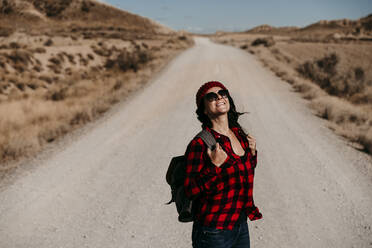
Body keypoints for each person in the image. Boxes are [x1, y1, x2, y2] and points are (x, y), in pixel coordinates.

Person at [184, 81, 262, 248]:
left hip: (240, 225)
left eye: (223, 93)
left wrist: (253, 154)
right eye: (212, 97)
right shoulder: (200, 143)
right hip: (213, 231)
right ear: (204, 109)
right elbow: (190, 190)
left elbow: (244, 173)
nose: (219, 97)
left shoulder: (239, 134)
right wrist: (214, 167)